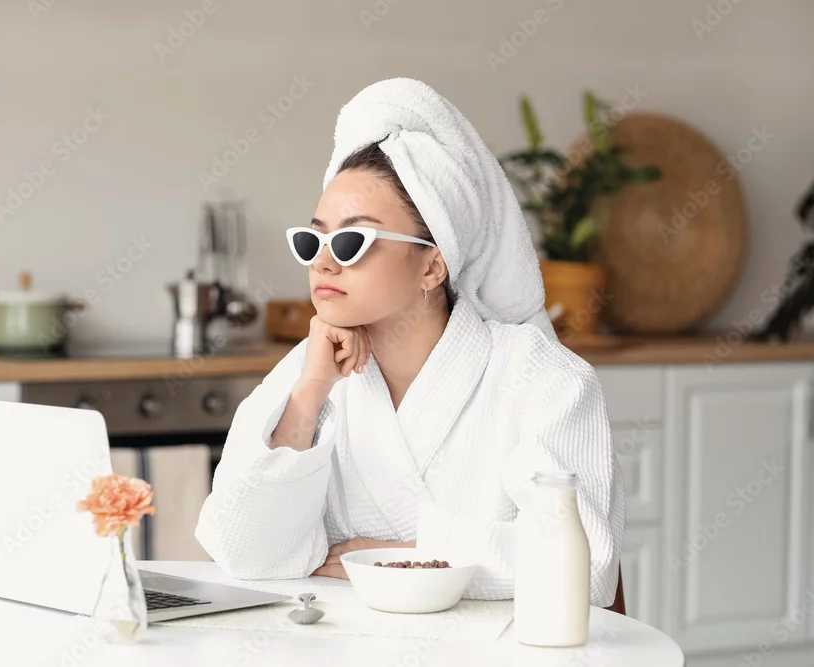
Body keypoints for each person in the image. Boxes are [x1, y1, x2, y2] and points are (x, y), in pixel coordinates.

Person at [195, 78, 624, 606]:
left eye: (351, 241)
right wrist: (309, 395)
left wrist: (404, 558)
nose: (322, 262)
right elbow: (246, 552)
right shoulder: (309, 371)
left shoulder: (543, 379)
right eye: (313, 239)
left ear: (432, 265)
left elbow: (585, 567)